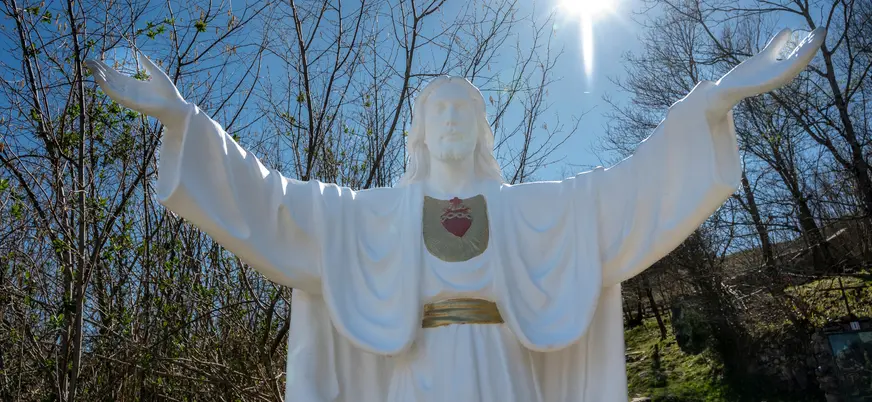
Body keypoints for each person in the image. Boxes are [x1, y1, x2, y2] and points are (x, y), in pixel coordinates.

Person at [86, 27, 825, 402]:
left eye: (463, 109)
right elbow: (273, 204)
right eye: (436, 108)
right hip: (417, 375)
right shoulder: (367, 216)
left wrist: (714, 100)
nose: (449, 120)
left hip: (504, 371)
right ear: (419, 129)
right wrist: (183, 118)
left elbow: (632, 192)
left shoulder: (537, 209)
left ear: (480, 127)